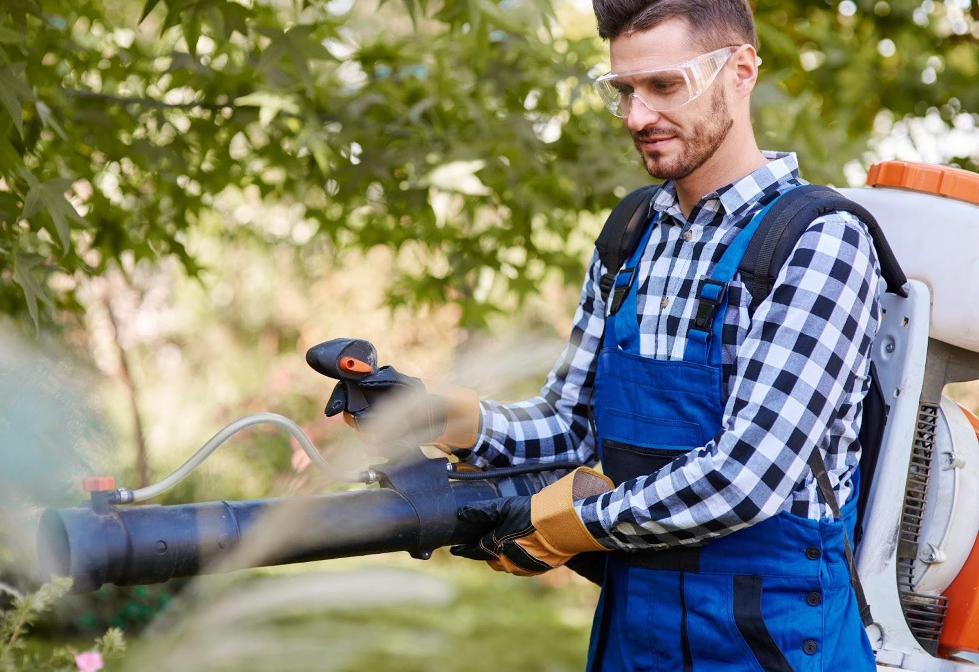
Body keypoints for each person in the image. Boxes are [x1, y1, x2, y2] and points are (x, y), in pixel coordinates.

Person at [337, 1, 880, 669]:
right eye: (623, 90)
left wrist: (570, 525)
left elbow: (748, 476)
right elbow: (573, 427)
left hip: (771, 635)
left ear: (740, 71)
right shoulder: (631, 235)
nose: (636, 116)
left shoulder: (818, 239)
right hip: (635, 629)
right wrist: (442, 417)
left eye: (663, 85)